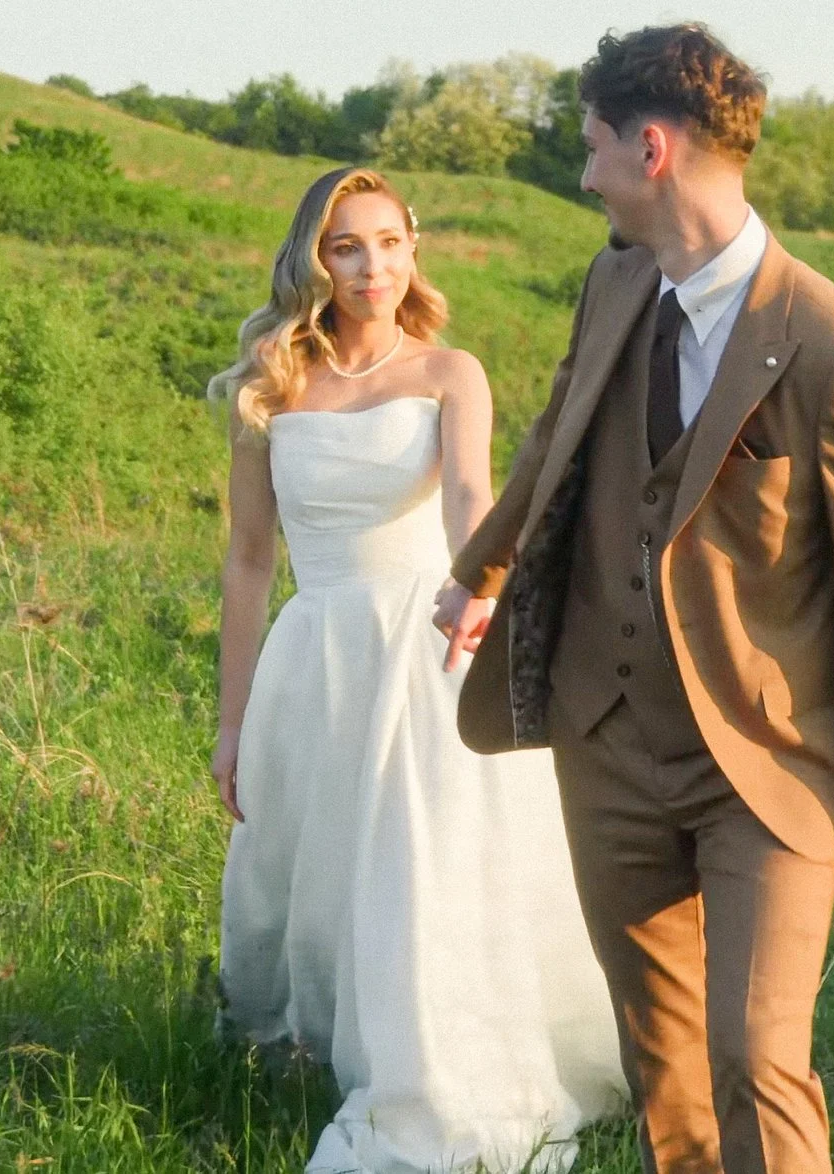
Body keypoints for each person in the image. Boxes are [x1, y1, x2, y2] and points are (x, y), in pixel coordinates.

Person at [432, 25, 834, 1173]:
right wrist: (480, 570)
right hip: (604, 736)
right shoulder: (614, 282)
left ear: (650, 148)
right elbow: (558, 433)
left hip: (765, 759)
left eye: (593, 146)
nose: (585, 174)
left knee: (755, 1056)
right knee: (662, 1064)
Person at [211, 167, 625, 1174]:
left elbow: (471, 500)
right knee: (318, 859)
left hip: (424, 642)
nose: (373, 267)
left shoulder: (450, 372)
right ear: (315, 259)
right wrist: (231, 721)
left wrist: (481, 594)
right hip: (315, 654)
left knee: (419, 866)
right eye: (347, 246)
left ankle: (432, 1059)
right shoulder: (272, 384)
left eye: (391, 242)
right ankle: (306, 1050)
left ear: (413, 248)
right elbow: (250, 558)